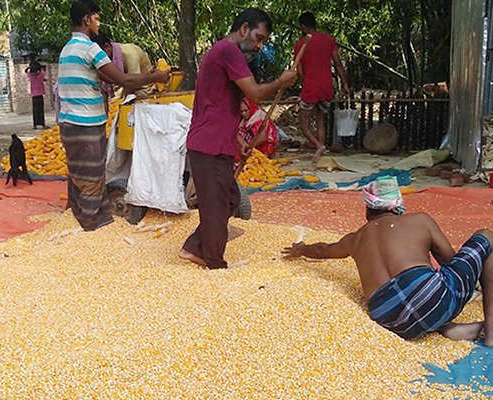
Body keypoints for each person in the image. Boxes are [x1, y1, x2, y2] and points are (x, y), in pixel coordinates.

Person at [282, 176, 493, 346]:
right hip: (432, 298)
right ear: (398, 206)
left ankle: (445, 327)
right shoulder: (419, 221)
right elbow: (450, 262)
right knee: (487, 237)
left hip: (391, 319)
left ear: (368, 209)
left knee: (415, 295)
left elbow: (323, 250)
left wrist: (301, 250)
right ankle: (490, 329)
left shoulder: (355, 239)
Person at [178, 8, 297, 269]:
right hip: (209, 144)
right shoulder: (228, 51)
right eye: (258, 38)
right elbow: (255, 93)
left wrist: (237, 140)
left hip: (216, 142)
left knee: (230, 198)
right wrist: (281, 82)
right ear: (244, 29)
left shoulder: (223, 52)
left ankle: (193, 248)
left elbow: (222, 104)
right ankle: (213, 262)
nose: (259, 46)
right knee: (217, 205)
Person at [57, 0, 169, 231]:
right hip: (86, 125)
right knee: (92, 177)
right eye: (96, 18)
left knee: (78, 175)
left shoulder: (67, 49)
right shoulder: (90, 49)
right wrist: (155, 77)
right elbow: (123, 79)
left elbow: (107, 77)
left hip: (69, 123)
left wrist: (143, 77)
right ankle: (93, 226)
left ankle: (81, 220)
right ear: (87, 19)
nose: (98, 24)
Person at [293, 12, 349, 165]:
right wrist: (345, 83)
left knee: (304, 122)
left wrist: (304, 85)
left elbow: (299, 71)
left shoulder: (300, 44)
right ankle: (321, 151)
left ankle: (319, 145)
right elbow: (338, 63)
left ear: (303, 27)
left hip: (311, 86)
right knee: (320, 119)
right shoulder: (328, 40)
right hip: (326, 86)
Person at [26, 59, 47, 129]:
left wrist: (30, 67)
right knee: (41, 110)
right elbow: (44, 74)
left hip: (33, 95)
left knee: (35, 110)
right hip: (40, 94)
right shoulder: (41, 74)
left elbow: (27, 71)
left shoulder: (30, 75)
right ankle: (43, 124)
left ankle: (35, 125)